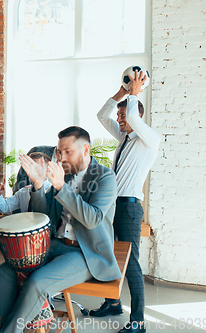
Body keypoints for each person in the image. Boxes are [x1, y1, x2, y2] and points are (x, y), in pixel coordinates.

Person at [0, 126, 120, 333]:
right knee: (5, 271)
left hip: (85, 253)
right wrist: (37, 184)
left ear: (86, 150)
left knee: (37, 282)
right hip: (55, 245)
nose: (61, 157)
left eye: (67, 152)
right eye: (59, 152)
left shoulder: (105, 177)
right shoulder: (64, 177)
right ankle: (13, 327)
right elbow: (46, 218)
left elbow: (92, 219)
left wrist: (62, 187)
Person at [89, 71, 160, 333]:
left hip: (129, 207)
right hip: (113, 205)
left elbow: (131, 115)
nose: (119, 120)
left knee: (131, 263)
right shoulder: (125, 139)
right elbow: (100, 116)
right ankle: (113, 303)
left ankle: (138, 321)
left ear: (137, 116)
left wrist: (135, 92)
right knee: (112, 256)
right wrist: (121, 92)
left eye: (123, 115)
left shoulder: (150, 139)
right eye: (119, 116)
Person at [0, 151, 53, 319]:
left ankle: (35, 306)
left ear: (48, 169)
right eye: (27, 167)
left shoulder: (54, 190)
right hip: (21, 249)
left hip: (45, 248)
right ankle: (6, 305)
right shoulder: (24, 192)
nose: (30, 171)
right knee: (0, 268)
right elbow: (4, 208)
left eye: (34, 167)